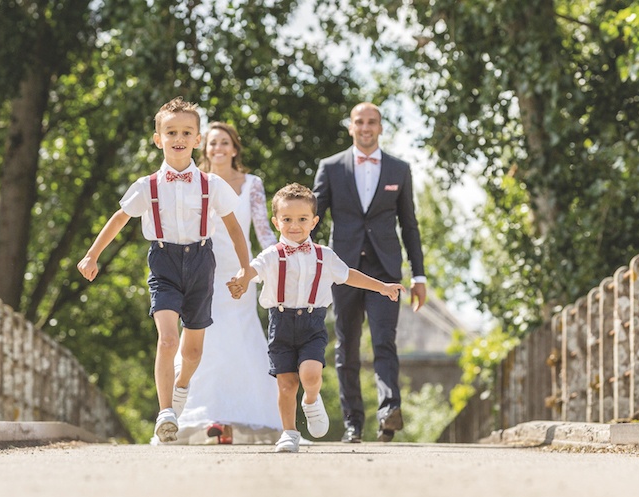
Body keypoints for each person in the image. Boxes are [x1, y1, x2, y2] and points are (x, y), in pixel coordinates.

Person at [77, 97, 251, 444]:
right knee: (169, 338)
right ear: (158, 138)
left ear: (197, 139)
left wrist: (246, 270)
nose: (178, 137)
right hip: (164, 262)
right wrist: (92, 255)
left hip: (202, 262)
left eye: (186, 132)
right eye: (171, 131)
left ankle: (182, 384)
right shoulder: (147, 186)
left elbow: (233, 227)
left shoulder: (212, 185)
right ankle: (166, 413)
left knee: (193, 352)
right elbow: (120, 218)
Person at [228, 183, 404, 452]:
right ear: (276, 222)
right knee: (286, 383)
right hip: (281, 324)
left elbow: (349, 275)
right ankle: (289, 432)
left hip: (312, 323)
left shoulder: (325, 256)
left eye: (301, 219)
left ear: (314, 221)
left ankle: (310, 400)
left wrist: (382, 286)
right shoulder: (272, 255)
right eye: (287, 219)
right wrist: (241, 280)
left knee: (310, 374)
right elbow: (253, 269)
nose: (294, 225)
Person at [312, 102, 427, 444]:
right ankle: (353, 422)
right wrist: (306, 264)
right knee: (346, 344)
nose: (365, 127)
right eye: (359, 122)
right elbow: (312, 218)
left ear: (380, 127)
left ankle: (389, 412)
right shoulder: (330, 167)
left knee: (383, 341)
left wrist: (418, 276)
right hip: (343, 268)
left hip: (385, 270)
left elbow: (410, 225)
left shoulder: (399, 169)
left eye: (371, 122)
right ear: (350, 127)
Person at [170, 122, 282, 444]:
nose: (218, 149)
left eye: (224, 143)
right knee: (207, 342)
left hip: (239, 274)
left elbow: (262, 228)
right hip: (203, 271)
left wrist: (271, 262)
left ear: (234, 149)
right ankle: (213, 416)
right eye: (212, 143)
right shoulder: (195, 181)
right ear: (205, 149)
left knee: (240, 343)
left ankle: (234, 418)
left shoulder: (252, 184)